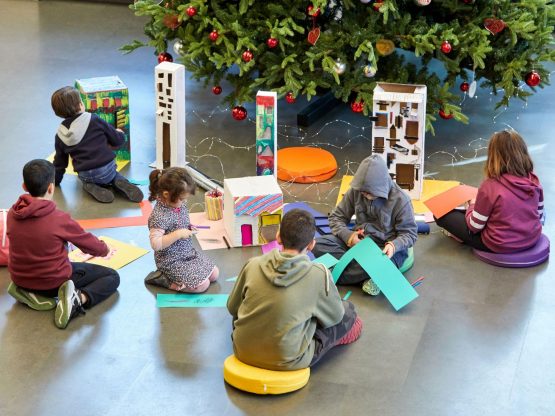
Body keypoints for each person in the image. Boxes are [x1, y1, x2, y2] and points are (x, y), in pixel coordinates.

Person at [227, 209, 362, 371]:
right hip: (288, 360)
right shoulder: (319, 274)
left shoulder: (252, 264)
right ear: (311, 244)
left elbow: (232, 307)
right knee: (347, 310)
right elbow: (335, 317)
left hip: (242, 350)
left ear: (278, 236)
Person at [6, 159, 120, 329]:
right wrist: (104, 248)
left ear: (24, 186)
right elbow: (90, 245)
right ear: (51, 188)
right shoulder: (58, 219)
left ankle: (27, 292)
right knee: (112, 276)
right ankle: (77, 299)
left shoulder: (12, 214)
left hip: (20, 278)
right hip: (52, 283)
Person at [312, 155, 417, 296]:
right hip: (358, 244)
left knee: (387, 263)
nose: (364, 195)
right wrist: (349, 237)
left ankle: (336, 273)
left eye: (368, 193)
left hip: (384, 250)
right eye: (362, 192)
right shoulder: (356, 190)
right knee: (317, 244)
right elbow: (336, 217)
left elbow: (410, 234)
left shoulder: (401, 200)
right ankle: (368, 276)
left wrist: (394, 246)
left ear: (381, 188)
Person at [435, 129, 544, 253]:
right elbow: (539, 216)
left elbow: (474, 226)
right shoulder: (534, 181)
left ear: (494, 157)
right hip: (531, 239)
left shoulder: (490, 186)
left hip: (499, 244)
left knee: (440, 214)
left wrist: (472, 204)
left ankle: (459, 236)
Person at [51, 86, 143, 203]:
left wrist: (55, 181)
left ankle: (90, 185)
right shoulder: (94, 119)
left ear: (58, 113)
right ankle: (118, 180)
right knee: (113, 174)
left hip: (86, 174)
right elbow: (116, 140)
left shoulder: (61, 135)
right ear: (80, 105)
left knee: (86, 179)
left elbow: (60, 163)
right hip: (107, 169)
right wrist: (120, 134)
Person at [145, 167, 219, 292]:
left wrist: (189, 227)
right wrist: (178, 234)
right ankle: (164, 279)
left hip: (187, 253)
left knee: (214, 274)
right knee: (202, 285)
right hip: (171, 261)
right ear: (166, 194)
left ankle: (182, 279)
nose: (184, 201)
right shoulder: (158, 216)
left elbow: (180, 220)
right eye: (182, 199)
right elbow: (155, 244)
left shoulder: (178, 203)